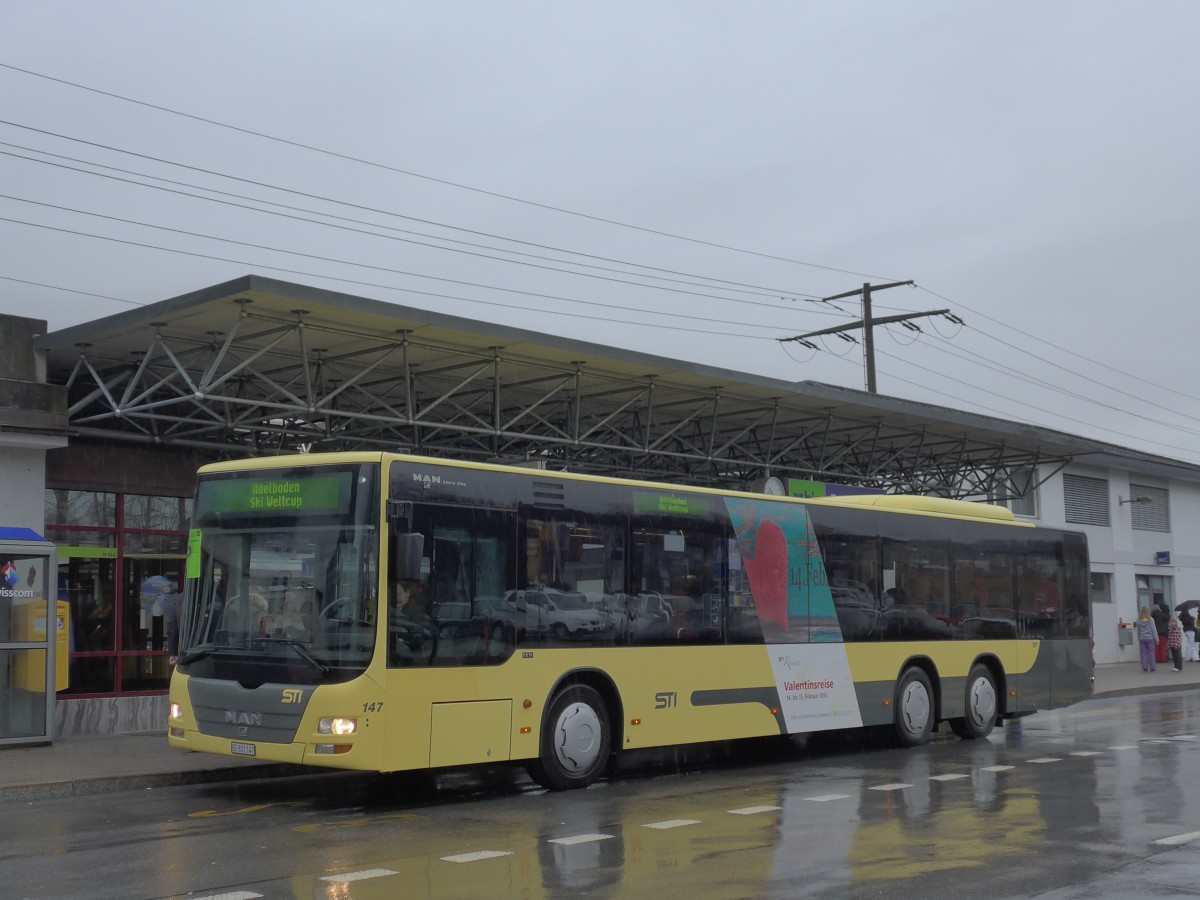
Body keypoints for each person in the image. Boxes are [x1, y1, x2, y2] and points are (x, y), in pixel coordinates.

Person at [1136, 606, 1158, 672]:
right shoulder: (1151, 619)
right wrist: (1157, 639)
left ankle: (1145, 667)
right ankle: (1152, 667)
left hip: (1142, 638)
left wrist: (1139, 638)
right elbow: (1154, 630)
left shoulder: (1138, 620)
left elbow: (1138, 631)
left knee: (1143, 653)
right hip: (1150, 638)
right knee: (1151, 653)